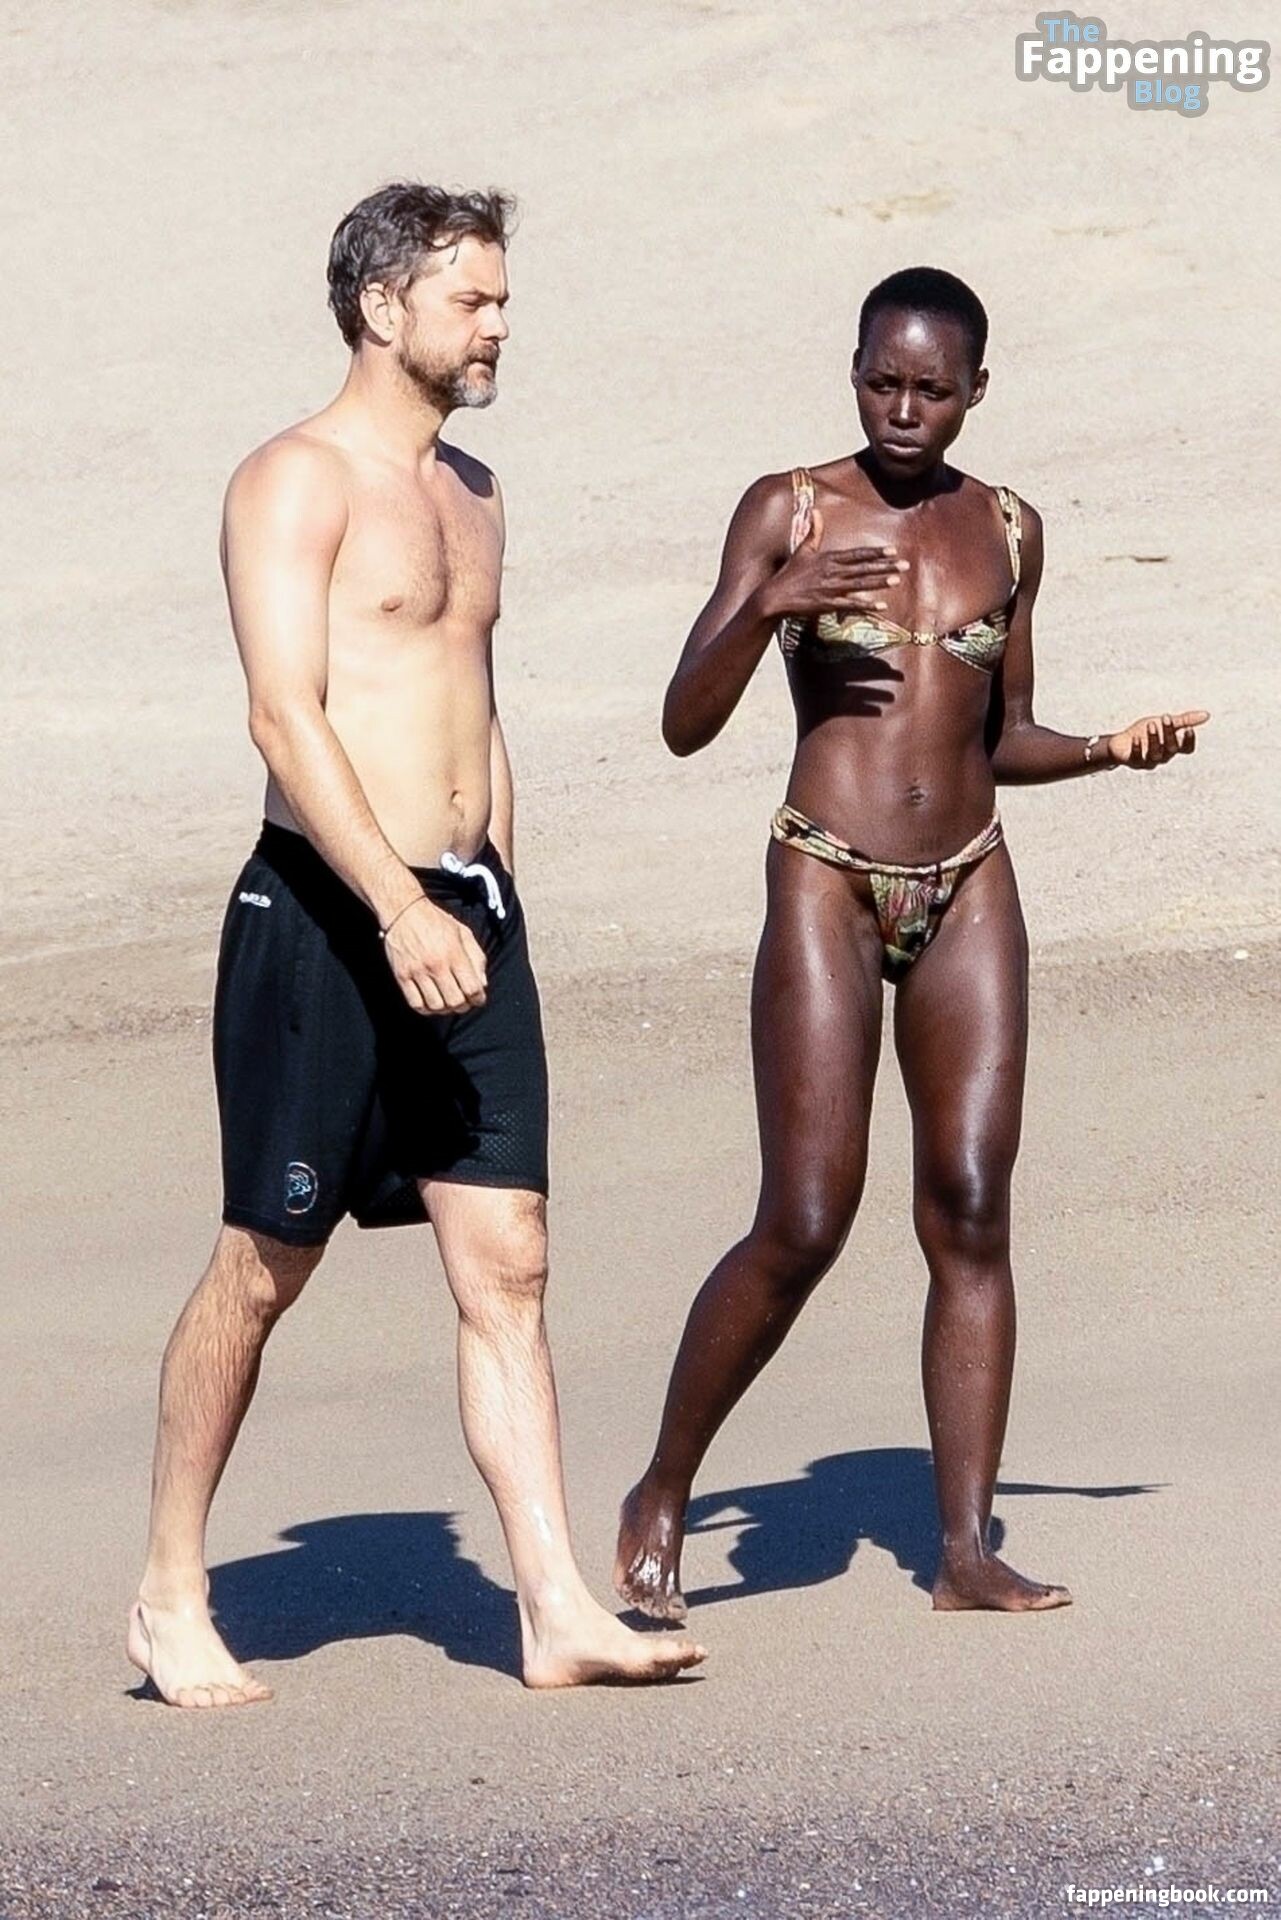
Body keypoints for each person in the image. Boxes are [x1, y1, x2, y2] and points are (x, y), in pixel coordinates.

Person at [128, 182, 705, 1706]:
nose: (499, 323)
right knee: (265, 1263)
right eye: (472, 300)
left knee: (508, 1259)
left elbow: (472, 696)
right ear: (382, 308)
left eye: (502, 298)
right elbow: (283, 714)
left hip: (465, 915)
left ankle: (554, 1606)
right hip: (330, 919)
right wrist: (394, 902)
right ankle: (171, 1590)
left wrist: (494, 879)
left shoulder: (477, 488)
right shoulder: (293, 481)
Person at [615, 266, 1207, 1623]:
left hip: (970, 879)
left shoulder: (1006, 528)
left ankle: (963, 1551)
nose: (900, 409)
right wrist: (776, 598)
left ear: (973, 392)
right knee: (806, 1217)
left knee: (972, 1205)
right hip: (826, 875)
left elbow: (1004, 735)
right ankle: (661, 1491)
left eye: (930, 390)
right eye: (880, 380)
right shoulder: (788, 507)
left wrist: (1108, 751)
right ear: (853, 370)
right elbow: (683, 720)